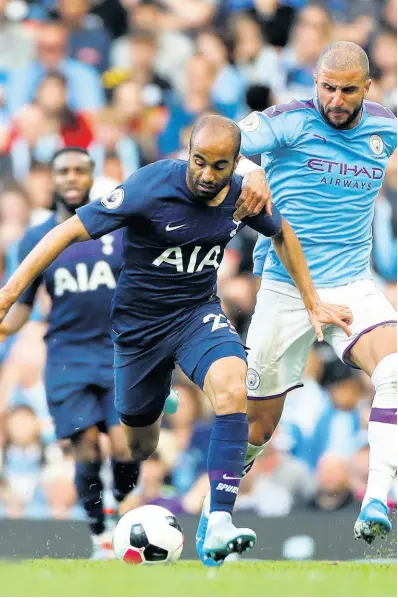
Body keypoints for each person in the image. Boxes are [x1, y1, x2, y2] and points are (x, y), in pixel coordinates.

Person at [0, 115, 351, 566]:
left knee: (232, 384)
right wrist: (9, 292)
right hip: (138, 331)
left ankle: (220, 518)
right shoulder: (151, 186)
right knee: (139, 447)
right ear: (188, 154)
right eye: (199, 162)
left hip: (195, 314)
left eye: (219, 166)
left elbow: (281, 232)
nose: (207, 174)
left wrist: (312, 299)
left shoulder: (246, 195)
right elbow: (67, 232)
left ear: (234, 165)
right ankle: (157, 397)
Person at [235, 41, 397, 545]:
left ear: (366, 88)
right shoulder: (286, 120)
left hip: (350, 283)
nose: (336, 98)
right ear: (316, 84)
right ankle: (215, 508)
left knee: (394, 371)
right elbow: (217, 143)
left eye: (348, 89)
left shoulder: (385, 129)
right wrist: (251, 169)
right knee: (256, 430)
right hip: (284, 288)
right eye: (328, 87)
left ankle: (376, 500)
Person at [0, 146, 177, 559]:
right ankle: (99, 531)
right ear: (53, 179)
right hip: (67, 356)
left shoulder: (119, 230)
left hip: (119, 352)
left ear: (92, 175)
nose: (72, 178)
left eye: (80, 170)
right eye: (64, 171)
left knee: (123, 444)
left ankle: (122, 509)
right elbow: (21, 311)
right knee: (86, 448)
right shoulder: (35, 237)